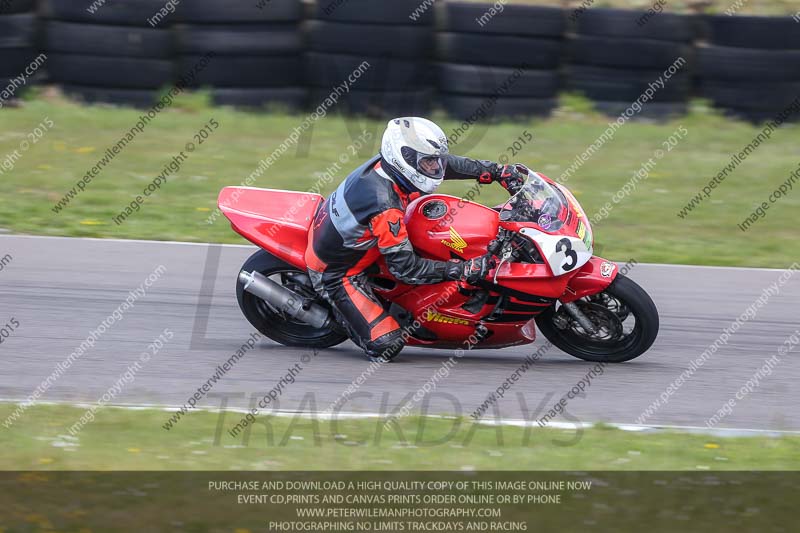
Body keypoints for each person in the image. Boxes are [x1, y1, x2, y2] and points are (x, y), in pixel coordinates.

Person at [305, 117, 525, 362]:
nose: (435, 168)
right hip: (338, 272)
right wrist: (463, 269)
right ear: (404, 159)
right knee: (387, 345)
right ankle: (342, 319)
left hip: (361, 243)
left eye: (434, 161)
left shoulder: (391, 169)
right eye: (428, 162)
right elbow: (405, 269)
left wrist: (495, 171)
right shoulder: (385, 207)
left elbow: (446, 164)